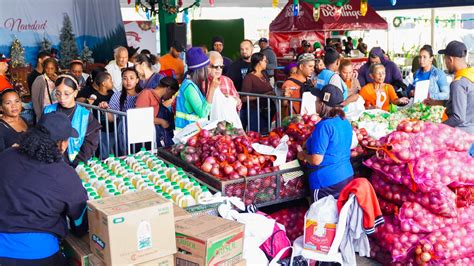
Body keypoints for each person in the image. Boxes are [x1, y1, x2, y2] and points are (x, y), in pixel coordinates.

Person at [0, 112, 88, 265]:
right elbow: (80, 221)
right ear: (61, 144)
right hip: (38, 255)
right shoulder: (64, 174)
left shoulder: (6, 156)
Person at [297, 84, 354, 201]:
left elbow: (316, 160)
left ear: (322, 104)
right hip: (346, 176)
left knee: (322, 217)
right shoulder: (345, 122)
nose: (315, 104)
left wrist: (303, 155)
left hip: (326, 182)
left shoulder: (324, 126)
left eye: (317, 101)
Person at [43, 74, 101, 167]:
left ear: (75, 93)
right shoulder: (48, 111)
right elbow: (41, 137)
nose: (62, 98)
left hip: (77, 164)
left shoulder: (85, 115)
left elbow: (90, 144)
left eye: (66, 94)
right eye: (58, 93)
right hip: (51, 163)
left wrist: (75, 164)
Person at [175, 47, 217, 131]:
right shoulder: (189, 88)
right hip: (188, 134)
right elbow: (203, 113)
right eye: (206, 68)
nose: (208, 71)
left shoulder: (191, 84)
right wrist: (212, 88)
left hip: (192, 132)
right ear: (199, 70)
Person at [439, 40, 474, 135]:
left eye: (445, 59)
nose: (445, 63)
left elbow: (458, 117)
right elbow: (465, 103)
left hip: (461, 136)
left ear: (450, 59)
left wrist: (437, 128)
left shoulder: (458, 83)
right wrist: (438, 102)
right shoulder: (471, 75)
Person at [77, 71, 114, 157]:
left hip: (112, 128)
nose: (113, 82)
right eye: (110, 80)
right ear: (104, 83)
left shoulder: (112, 94)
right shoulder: (94, 96)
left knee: (112, 149)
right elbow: (86, 109)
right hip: (100, 129)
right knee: (103, 151)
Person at [136, 76, 179, 147]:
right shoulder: (146, 93)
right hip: (144, 138)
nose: (171, 97)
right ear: (168, 89)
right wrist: (162, 121)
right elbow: (140, 116)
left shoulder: (159, 100)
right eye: (172, 93)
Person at [241, 52, 274, 133]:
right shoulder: (249, 78)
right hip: (255, 112)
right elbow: (244, 98)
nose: (266, 62)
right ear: (259, 62)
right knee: (257, 134)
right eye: (265, 60)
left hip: (267, 111)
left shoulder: (264, 74)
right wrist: (262, 96)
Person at [207, 51, 242, 120]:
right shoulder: (202, 82)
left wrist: (234, 100)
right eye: (215, 66)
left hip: (227, 124)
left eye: (221, 66)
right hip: (208, 123)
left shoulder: (228, 81)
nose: (219, 69)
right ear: (207, 66)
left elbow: (238, 103)